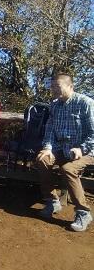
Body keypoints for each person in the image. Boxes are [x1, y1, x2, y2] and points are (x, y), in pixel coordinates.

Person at [36, 73, 94, 232]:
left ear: (70, 86)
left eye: (57, 86)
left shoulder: (86, 103)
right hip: (61, 148)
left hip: (88, 151)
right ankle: (52, 201)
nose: (54, 89)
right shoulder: (54, 105)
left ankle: (83, 212)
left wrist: (81, 148)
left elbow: (93, 132)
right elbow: (50, 128)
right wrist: (48, 147)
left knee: (68, 169)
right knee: (42, 159)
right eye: (52, 86)